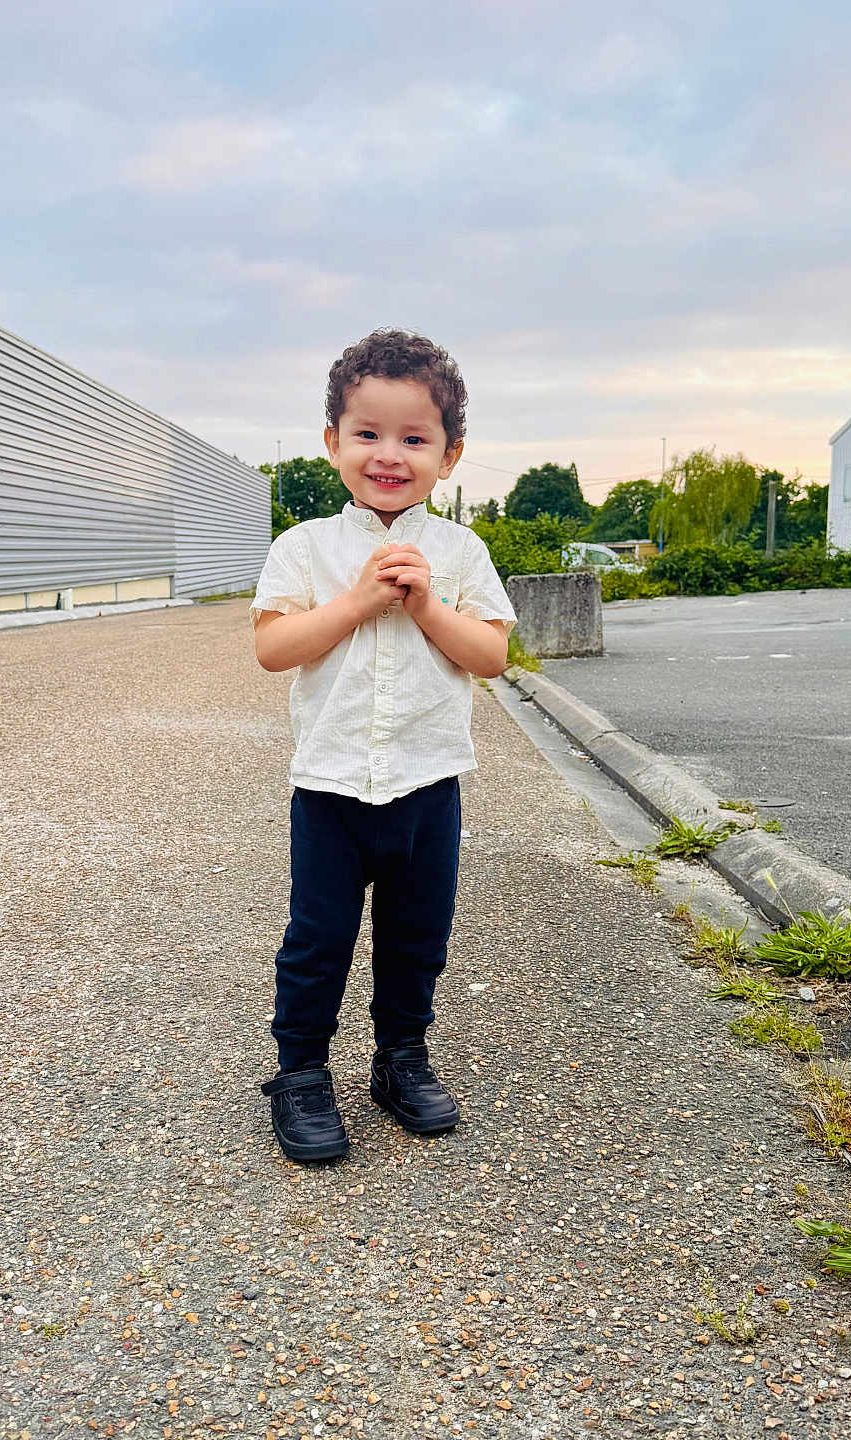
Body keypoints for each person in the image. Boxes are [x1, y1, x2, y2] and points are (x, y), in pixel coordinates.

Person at [250, 329, 516, 1163]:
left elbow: (492, 656)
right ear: (333, 441)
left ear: (450, 454)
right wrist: (359, 602)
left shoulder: (461, 553)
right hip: (330, 789)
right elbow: (273, 647)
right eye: (367, 433)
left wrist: (428, 607)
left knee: (417, 936)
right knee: (318, 938)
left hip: (428, 785)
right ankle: (300, 1072)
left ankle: (401, 1058)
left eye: (414, 438)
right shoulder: (304, 548)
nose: (389, 455)